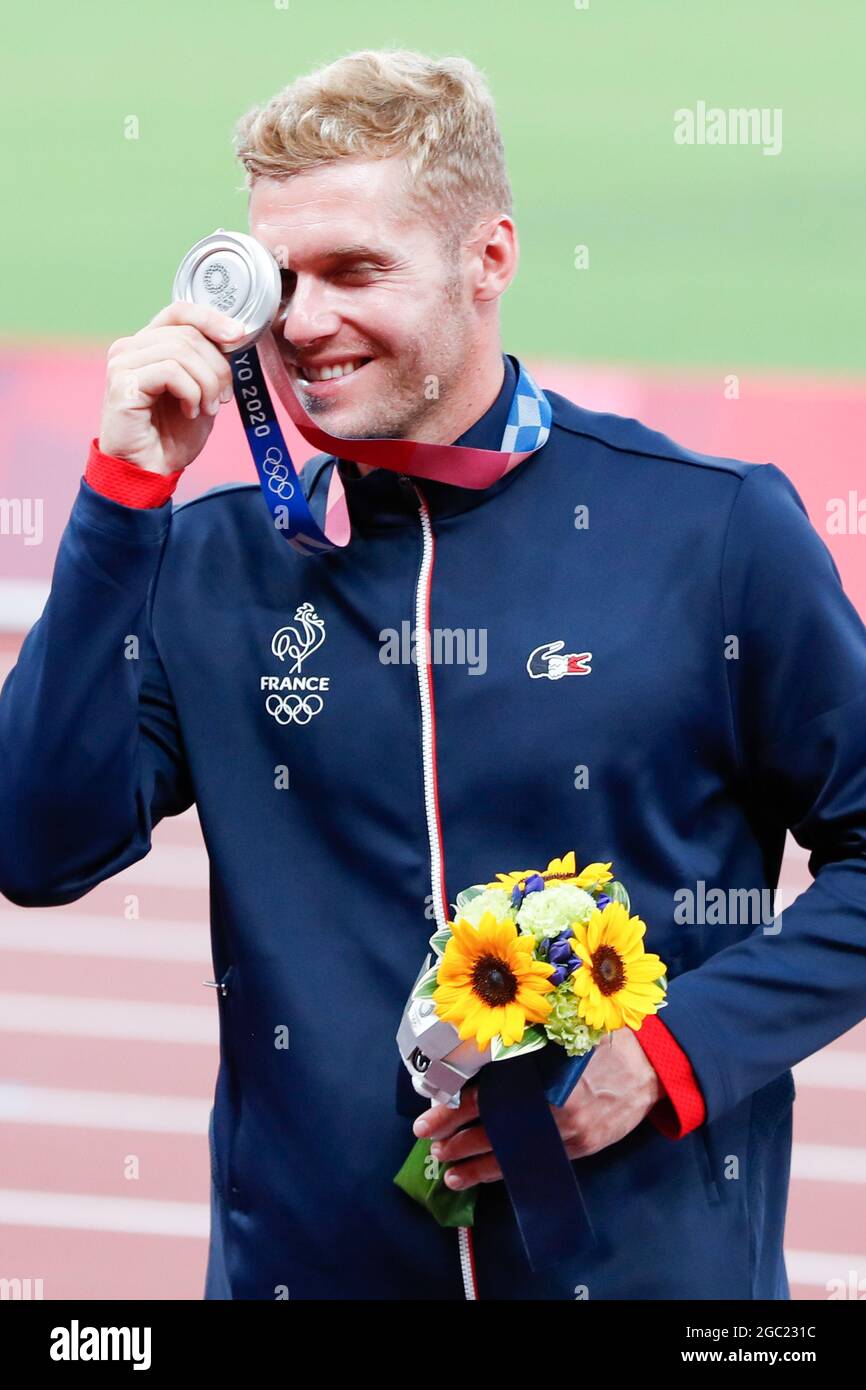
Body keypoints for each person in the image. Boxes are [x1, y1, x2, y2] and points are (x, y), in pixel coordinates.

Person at [1, 47, 865, 1301]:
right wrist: (124, 492)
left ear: (490, 257)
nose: (300, 322)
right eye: (280, 276)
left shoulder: (710, 531)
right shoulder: (212, 563)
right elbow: (34, 842)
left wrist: (673, 1055)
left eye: (354, 271)